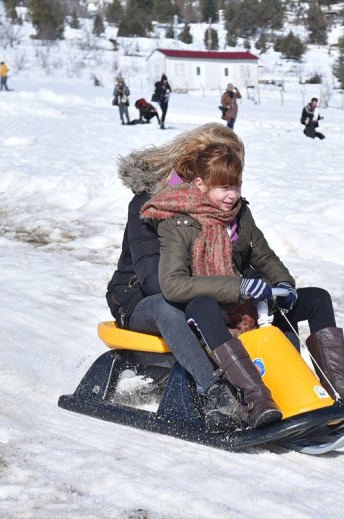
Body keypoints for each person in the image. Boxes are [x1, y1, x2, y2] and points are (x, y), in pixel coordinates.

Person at [140, 127, 344, 414]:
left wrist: (284, 284)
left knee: (317, 298)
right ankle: (256, 400)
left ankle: (342, 391)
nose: (232, 196)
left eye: (236, 187)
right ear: (200, 185)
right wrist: (238, 287)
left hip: (241, 301)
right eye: (224, 188)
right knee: (206, 306)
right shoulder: (177, 221)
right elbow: (173, 284)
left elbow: (264, 255)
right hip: (201, 308)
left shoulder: (240, 214)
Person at [106, 123, 255, 431]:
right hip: (140, 299)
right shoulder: (147, 204)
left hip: (194, 294)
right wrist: (218, 288)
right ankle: (214, 394)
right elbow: (154, 282)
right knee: (168, 307)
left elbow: (240, 259)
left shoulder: (215, 206)